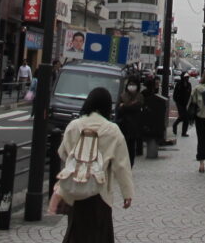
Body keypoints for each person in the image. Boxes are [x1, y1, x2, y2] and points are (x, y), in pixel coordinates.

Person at [53, 87, 134, 242]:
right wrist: (127, 193)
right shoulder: (113, 130)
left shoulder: (74, 126)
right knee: (100, 234)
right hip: (100, 192)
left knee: (76, 232)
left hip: (75, 190)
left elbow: (62, 153)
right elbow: (122, 165)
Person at [115, 76, 144, 166]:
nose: (131, 86)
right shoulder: (123, 95)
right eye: (130, 84)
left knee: (131, 148)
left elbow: (137, 107)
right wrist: (128, 106)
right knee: (121, 147)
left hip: (134, 127)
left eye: (133, 84)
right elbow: (118, 109)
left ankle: (129, 166)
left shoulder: (139, 96)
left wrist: (124, 106)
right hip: (123, 126)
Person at [172, 71, 192, 137]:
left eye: (187, 77)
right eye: (185, 77)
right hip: (179, 102)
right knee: (185, 117)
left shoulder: (189, 85)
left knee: (183, 117)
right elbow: (175, 94)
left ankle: (176, 125)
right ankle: (183, 132)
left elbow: (189, 95)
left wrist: (187, 103)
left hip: (185, 103)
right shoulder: (179, 84)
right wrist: (176, 100)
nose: (187, 78)